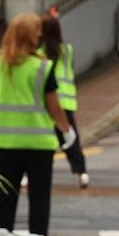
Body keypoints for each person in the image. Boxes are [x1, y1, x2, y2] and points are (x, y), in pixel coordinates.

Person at [0, 12, 75, 236]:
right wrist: (67, 131)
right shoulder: (42, 67)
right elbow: (55, 108)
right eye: (36, 31)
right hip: (39, 144)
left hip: (6, 142)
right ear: (28, 35)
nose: (39, 35)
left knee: (4, 198)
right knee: (39, 200)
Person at [40, 14, 89, 188]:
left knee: (41, 141)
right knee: (70, 140)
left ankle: (30, 175)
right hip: (66, 102)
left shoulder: (39, 54)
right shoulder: (68, 50)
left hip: (46, 103)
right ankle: (82, 173)